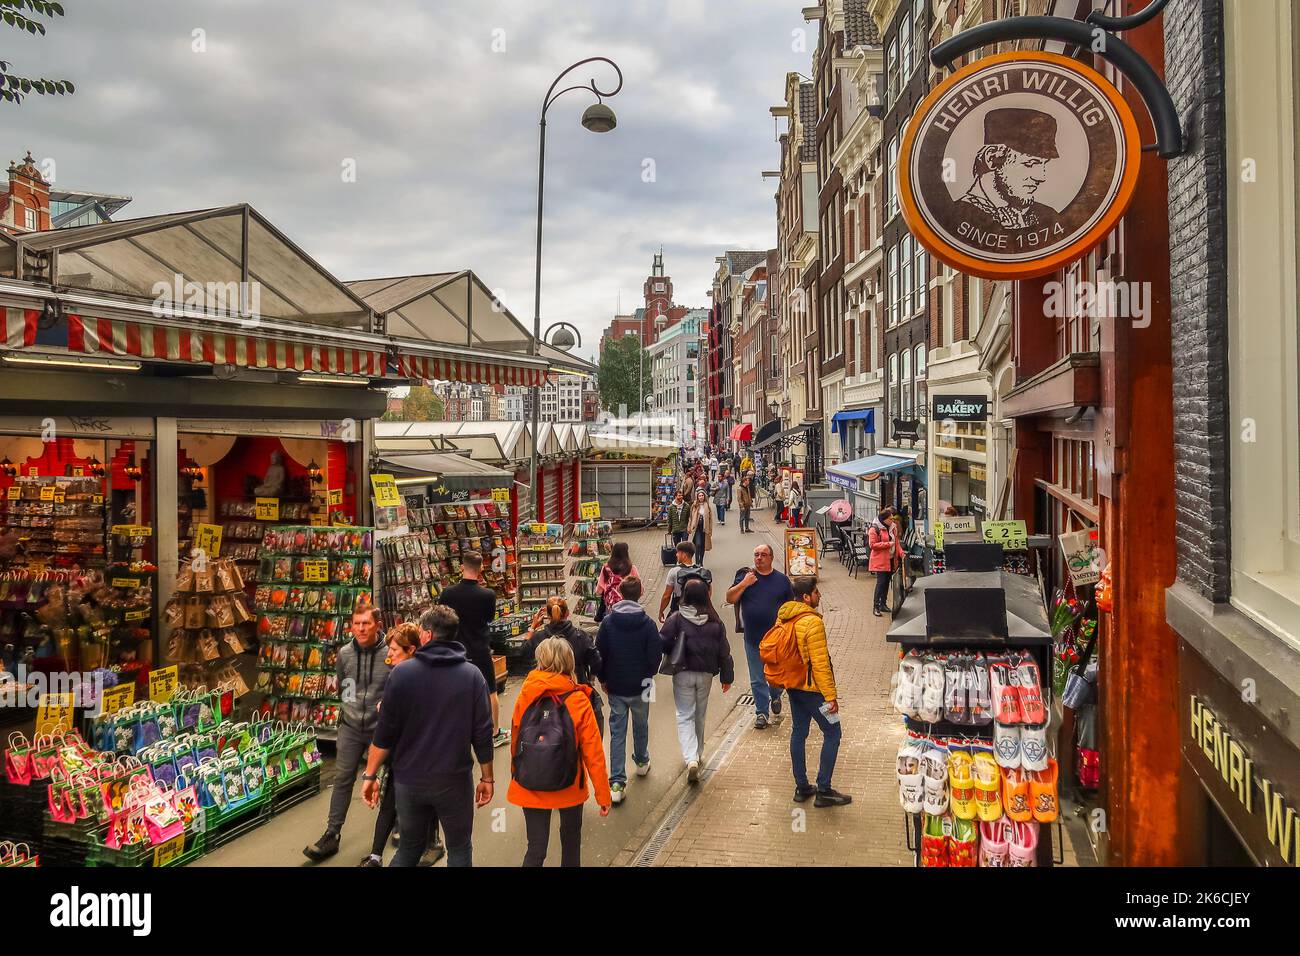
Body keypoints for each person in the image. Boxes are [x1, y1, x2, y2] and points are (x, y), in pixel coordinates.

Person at [361, 606, 495, 867]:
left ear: (427, 635)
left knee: (409, 849)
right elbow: (482, 732)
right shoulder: (472, 676)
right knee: (459, 849)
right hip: (454, 781)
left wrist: (370, 775)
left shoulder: (402, 674)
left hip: (410, 780)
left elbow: (385, 732)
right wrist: (487, 777)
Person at [507, 637, 612, 866]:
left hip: (530, 783)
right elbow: (593, 753)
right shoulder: (578, 699)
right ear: (569, 662)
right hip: (570, 785)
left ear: (540, 661)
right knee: (571, 844)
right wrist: (603, 794)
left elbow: (516, 738)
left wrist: (517, 772)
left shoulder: (526, 694)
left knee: (535, 849)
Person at [304, 605, 391, 862]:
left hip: (382, 729)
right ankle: (332, 833)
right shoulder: (345, 654)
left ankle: (398, 824)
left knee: (392, 778)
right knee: (342, 778)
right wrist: (352, 711)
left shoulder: (390, 654)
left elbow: (398, 685)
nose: (361, 628)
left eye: (366, 623)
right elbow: (346, 686)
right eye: (356, 624)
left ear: (377, 624)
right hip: (351, 727)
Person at [360, 623, 446, 868]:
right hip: (401, 751)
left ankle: (434, 843)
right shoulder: (396, 675)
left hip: (424, 752)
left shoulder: (425, 675)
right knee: (390, 801)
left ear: (411, 650)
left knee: (426, 801)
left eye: (394, 650)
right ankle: (375, 855)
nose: (388, 655)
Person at [774, 577, 850, 807]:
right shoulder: (812, 622)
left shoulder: (783, 617)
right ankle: (824, 790)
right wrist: (830, 696)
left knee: (798, 733)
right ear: (806, 597)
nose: (819, 596)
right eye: (816, 592)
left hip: (793, 686)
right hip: (813, 691)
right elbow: (820, 664)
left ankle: (802, 786)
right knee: (833, 732)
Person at [595, 576, 661, 804]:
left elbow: (599, 653)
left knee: (617, 732)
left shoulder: (608, 623)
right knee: (642, 723)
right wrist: (649, 674)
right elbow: (655, 656)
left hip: (616, 683)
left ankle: (616, 782)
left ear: (620, 593)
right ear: (640, 593)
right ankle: (642, 761)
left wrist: (603, 678)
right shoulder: (648, 623)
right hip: (643, 684)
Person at [660, 579, 734, 782]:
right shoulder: (715, 621)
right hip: (706, 674)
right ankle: (698, 753)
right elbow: (724, 652)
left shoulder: (676, 618)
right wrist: (727, 677)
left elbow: (663, 643)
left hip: (683, 672)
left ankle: (690, 757)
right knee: (700, 714)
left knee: (685, 715)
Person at [438, 552, 508, 747]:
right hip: (479, 649)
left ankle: (454, 732)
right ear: (481, 569)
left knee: (452, 691)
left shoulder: (447, 593)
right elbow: (488, 619)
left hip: (453, 650)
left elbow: (441, 619)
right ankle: (494, 733)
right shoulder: (487, 595)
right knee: (490, 692)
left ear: (462, 567)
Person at [726, 543, 794, 730]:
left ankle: (776, 694)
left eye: (763, 555)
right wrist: (745, 583)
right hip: (753, 638)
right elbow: (730, 598)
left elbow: (791, 608)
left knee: (775, 676)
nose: (759, 558)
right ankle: (762, 712)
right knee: (757, 678)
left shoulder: (781, 580)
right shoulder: (746, 577)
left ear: (771, 558)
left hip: (776, 640)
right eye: (756, 554)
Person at [525, 596, 603, 734]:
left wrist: (532, 627)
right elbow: (596, 661)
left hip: (547, 699)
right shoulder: (581, 637)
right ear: (567, 613)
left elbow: (524, 652)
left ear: (547, 615)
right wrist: (591, 678)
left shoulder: (539, 638)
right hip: (576, 694)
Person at [658, 540, 713, 623]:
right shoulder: (702, 571)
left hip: (679, 608)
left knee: (669, 632)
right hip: (698, 608)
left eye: (678, 552)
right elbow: (709, 591)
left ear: (684, 555)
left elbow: (667, 595)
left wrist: (661, 611)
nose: (676, 555)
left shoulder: (674, 571)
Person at [869, 507, 900, 617]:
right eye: (890, 519)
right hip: (880, 561)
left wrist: (900, 552)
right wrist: (888, 545)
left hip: (890, 559)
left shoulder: (893, 527)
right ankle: (876, 607)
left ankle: (883, 604)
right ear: (884, 519)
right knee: (881, 583)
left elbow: (896, 542)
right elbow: (872, 545)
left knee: (887, 582)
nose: (893, 520)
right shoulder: (875, 529)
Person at [597, 542, 639, 611]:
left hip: (612, 605)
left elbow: (599, 590)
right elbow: (640, 590)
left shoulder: (606, 568)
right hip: (629, 605)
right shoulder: (631, 568)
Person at [687, 488, 713, 567]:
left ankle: (701, 562)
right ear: (697, 497)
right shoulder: (694, 505)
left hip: (704, 528)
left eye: (702, 495)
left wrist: (710, 530)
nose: (701, 497)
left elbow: (710, 519)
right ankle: (697, 561)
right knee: (697, 544)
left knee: (703, 546)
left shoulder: (707, 506)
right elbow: (691, 517)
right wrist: (689, 526)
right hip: (696, 528)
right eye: (699, 496)